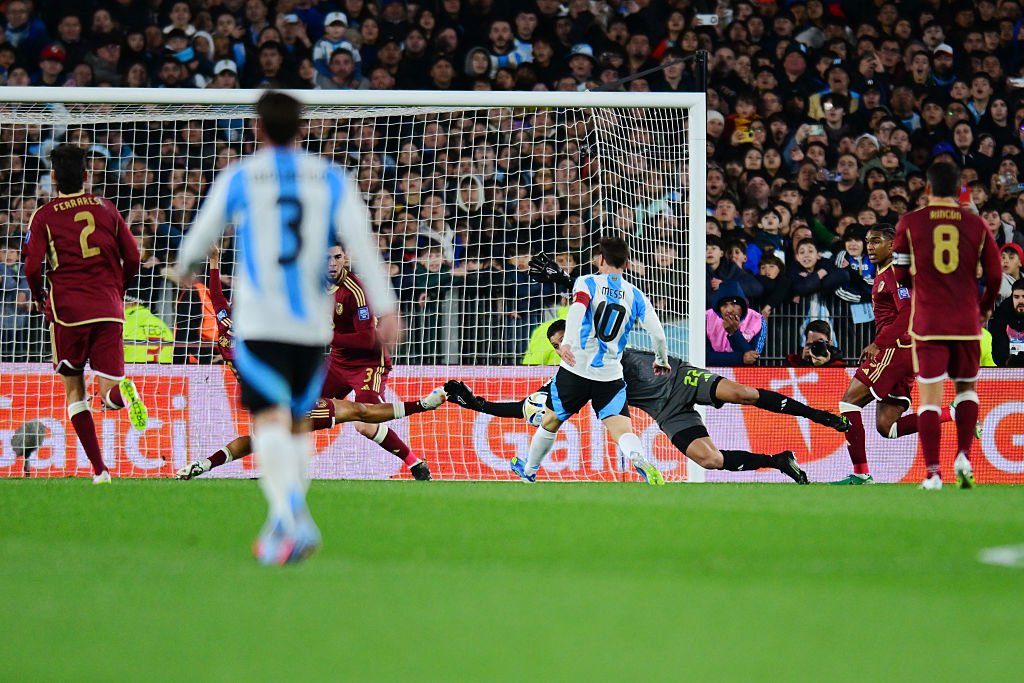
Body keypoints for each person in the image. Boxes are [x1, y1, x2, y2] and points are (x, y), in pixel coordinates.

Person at [174, 91, 400, 565]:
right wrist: (386, 308)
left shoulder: (240, 176)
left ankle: (289, 512)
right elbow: (364, 243)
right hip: (310, 326)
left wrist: (183, 268)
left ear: (258, 128)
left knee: (269, 419)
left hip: (259, 321)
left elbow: (197, 241)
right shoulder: (329, 178)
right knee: (298, 422)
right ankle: (292, 518)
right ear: (303, 128)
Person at [445, 319, 852, 484]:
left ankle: (818, 415)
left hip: (681, 376)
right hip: (666, 411)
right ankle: (779, 461)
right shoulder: (576, 375)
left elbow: (595, 300)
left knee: (743, 392)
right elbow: (529, 407)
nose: (562, 348)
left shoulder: (601, 337)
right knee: (708, 460)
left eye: (562, 340)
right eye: (556, 347)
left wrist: (564, 280)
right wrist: (478, 404)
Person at [174, 246, 444, 480]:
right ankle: (423, 408)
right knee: (356, 417)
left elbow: (217, 296)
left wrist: (213, 263)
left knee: (352, 420)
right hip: (292, 394)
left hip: (360, 366)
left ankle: (414, 457)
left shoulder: (227, 328)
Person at [21, 143, 149, 484]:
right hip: (109, 309)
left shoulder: (44, 215)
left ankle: (100, 470)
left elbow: (32, 267)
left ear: (52, 178)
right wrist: (118, 288)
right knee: (108, 395)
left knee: (75, 394)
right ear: (87, 175)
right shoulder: (106, 208)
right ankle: (122, 392)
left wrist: (38, 297)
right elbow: (134, 256)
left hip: (68, 313)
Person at [509, 236, 669, 484]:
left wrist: (568, 343)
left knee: (551, 420)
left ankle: (529, 470)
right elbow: (657, 333)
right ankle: (638, 456)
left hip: (576, 369)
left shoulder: (587, 282)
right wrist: (661, 359)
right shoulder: (636, 295)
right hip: (610, 374)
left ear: (600, 260)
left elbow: (577, 310)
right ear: (626, 264)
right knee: (622, 429)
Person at [892, 162, 1001, 490]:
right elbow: (995, 275)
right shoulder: (976, 223)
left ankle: (933, 474)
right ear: (958, 190)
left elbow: (899, 274)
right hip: (967, 323)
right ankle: (964, 457)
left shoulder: (909, 223)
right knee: (966, 390)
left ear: (927, 188)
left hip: (928, 323)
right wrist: (983, 309)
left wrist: (917, 286)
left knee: (929, 398)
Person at [831, 224, 954, 485]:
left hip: (897, 349)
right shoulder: (886, 274)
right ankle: (953, 413)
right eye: (868, 242)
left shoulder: (897, 275)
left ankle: (861, 473)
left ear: (892, 245)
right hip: (905, 351)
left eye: (876, 241)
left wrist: (879, 342)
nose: (870, 247)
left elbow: (909, 313)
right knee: (888, 427)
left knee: (848, 404)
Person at [989, 277, 1024, 367]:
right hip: (1007, 368)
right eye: (1016, 297)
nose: (1020, 301)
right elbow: (997, 347)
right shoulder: (1002, 313)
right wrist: (1007, 361)